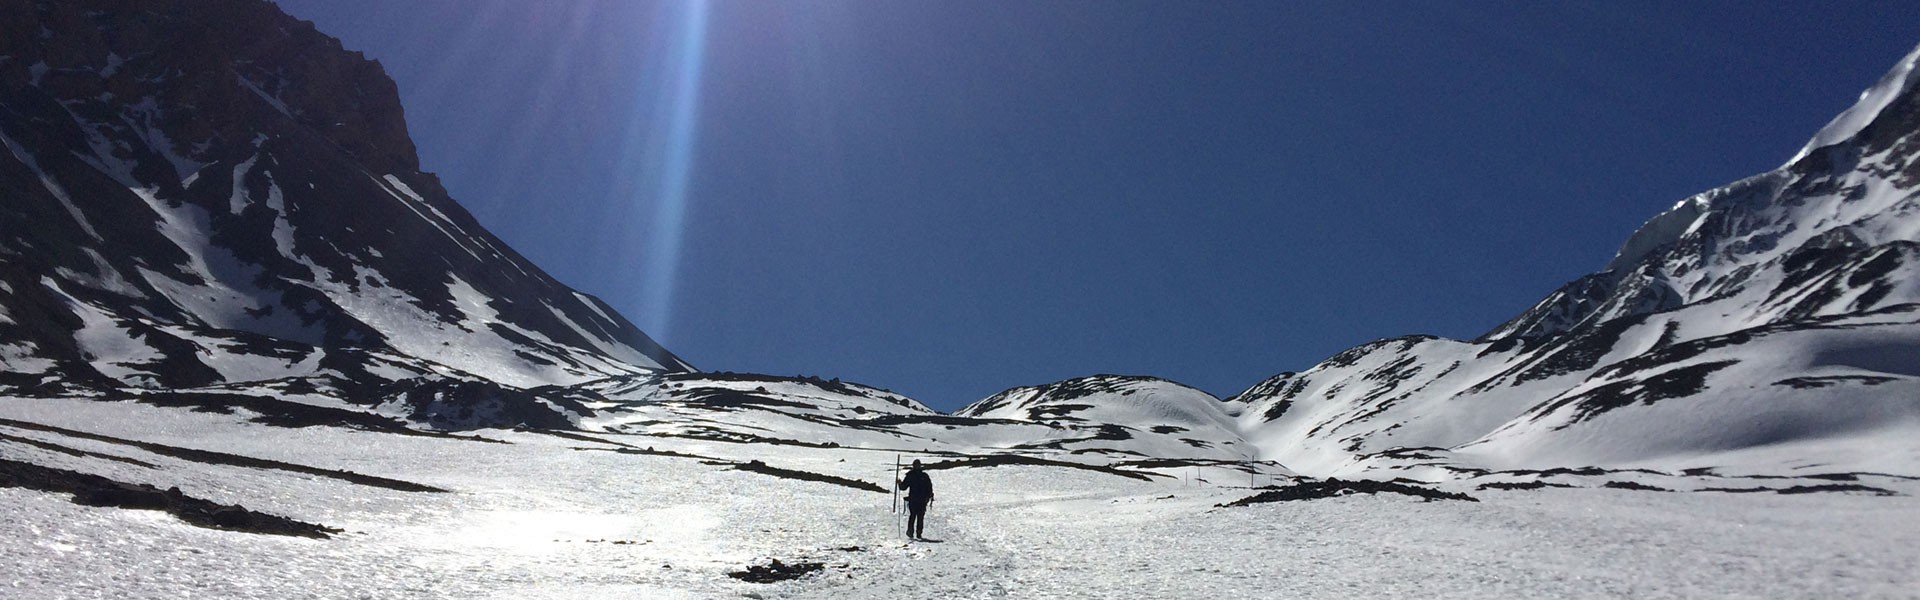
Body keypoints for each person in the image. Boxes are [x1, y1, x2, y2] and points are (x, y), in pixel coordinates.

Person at [897, 459, 934, 539]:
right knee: (919, 516)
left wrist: (899, 484)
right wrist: (929, 496)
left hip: (914, 499)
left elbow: (903, 487)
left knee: (913, 516)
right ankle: (918, 532)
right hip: (921, 500)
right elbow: (929, 488)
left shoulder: (911, 475)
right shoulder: (924, 476)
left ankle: (912, 532)